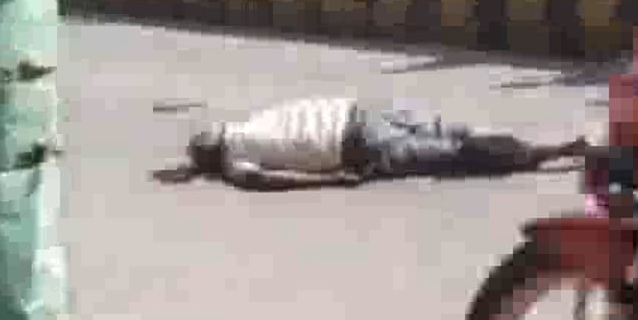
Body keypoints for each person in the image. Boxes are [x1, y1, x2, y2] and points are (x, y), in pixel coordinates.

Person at [180, 97, 589, 190]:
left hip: (358, 140)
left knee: (456, 151)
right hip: (361, 117)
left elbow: (271, 180)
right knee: (453, 137)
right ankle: (547, 149)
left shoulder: (236, 156)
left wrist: (332, 179)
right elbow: (273, 178)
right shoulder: (244, 135)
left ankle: (548, 151)